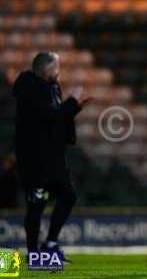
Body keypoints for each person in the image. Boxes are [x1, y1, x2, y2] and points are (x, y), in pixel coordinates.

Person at [13, 52, 90, 259]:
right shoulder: (29, 88)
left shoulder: (53, 86)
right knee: (37, 203)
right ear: (47, 70)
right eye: (57, 67)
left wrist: (74, 108)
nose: (59, 71)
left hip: (54, 157)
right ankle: (33, 252)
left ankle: (50, 242)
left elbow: (54, 117)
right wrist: (72, 102)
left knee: (68, 195)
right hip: (35, 157)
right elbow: (47, 116)